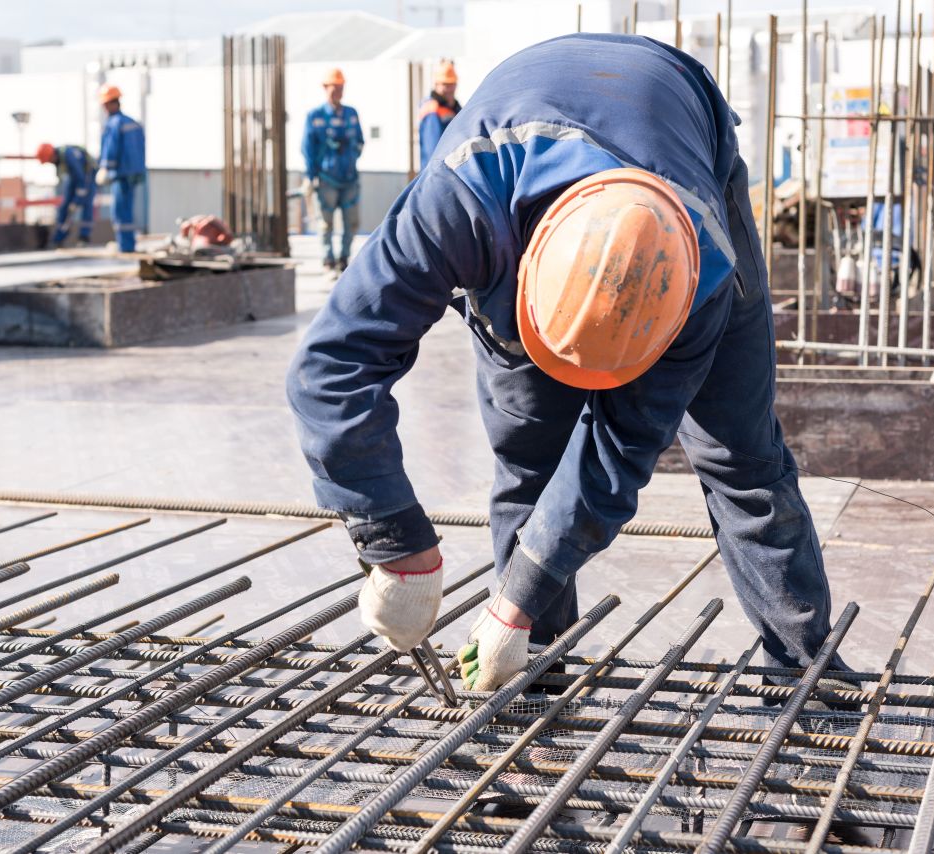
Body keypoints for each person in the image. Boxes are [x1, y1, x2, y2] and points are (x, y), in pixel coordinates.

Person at [287, 34, 853, 696]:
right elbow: (329, 369)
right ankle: (535, 674)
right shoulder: (456, 210)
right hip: (525, 164)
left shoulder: (700, 278)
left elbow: (615, 454)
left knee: (743, 457)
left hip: (679, 125)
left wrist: (516, 595)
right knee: (531, 460)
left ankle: (805, 672)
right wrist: (392, 540)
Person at [302, 68, 364, 273]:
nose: (337, 91)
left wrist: (351, 154)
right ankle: (328, 259)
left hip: (348, 178)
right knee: (325, 223)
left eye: (340, 87)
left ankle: (343, 258)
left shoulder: (351, 114)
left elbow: (360, 142)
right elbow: (307, 148)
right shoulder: (315, 116)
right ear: (325, 88)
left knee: (351, 222)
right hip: (326, 178)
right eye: (334, 87)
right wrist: (311, 177)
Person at [96, 84, 146, 253]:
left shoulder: (113, 123)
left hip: (121, 173)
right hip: (134, 173)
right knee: (127, 210)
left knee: (119, 211)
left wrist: (105, 168)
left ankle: (125, 246)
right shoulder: (133, 123)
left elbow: (111, 148)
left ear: (110, 103)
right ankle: (128, 244)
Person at [35, 143, 97, 247]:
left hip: (87, 176)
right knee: (65, 206)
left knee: (86, 204)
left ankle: (84, 237)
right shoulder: (60, 158)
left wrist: (76, 201)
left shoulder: (69, 156)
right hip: (74, 178)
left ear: (51, 156)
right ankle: (58, 238)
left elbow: (80, 177)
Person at [418, 61, 463, 170]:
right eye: (444, 84)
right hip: (439, 173)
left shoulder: (455, 108)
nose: (448, 89)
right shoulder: (433, 109)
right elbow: (432, 151)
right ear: (436, 85)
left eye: (451, 84)